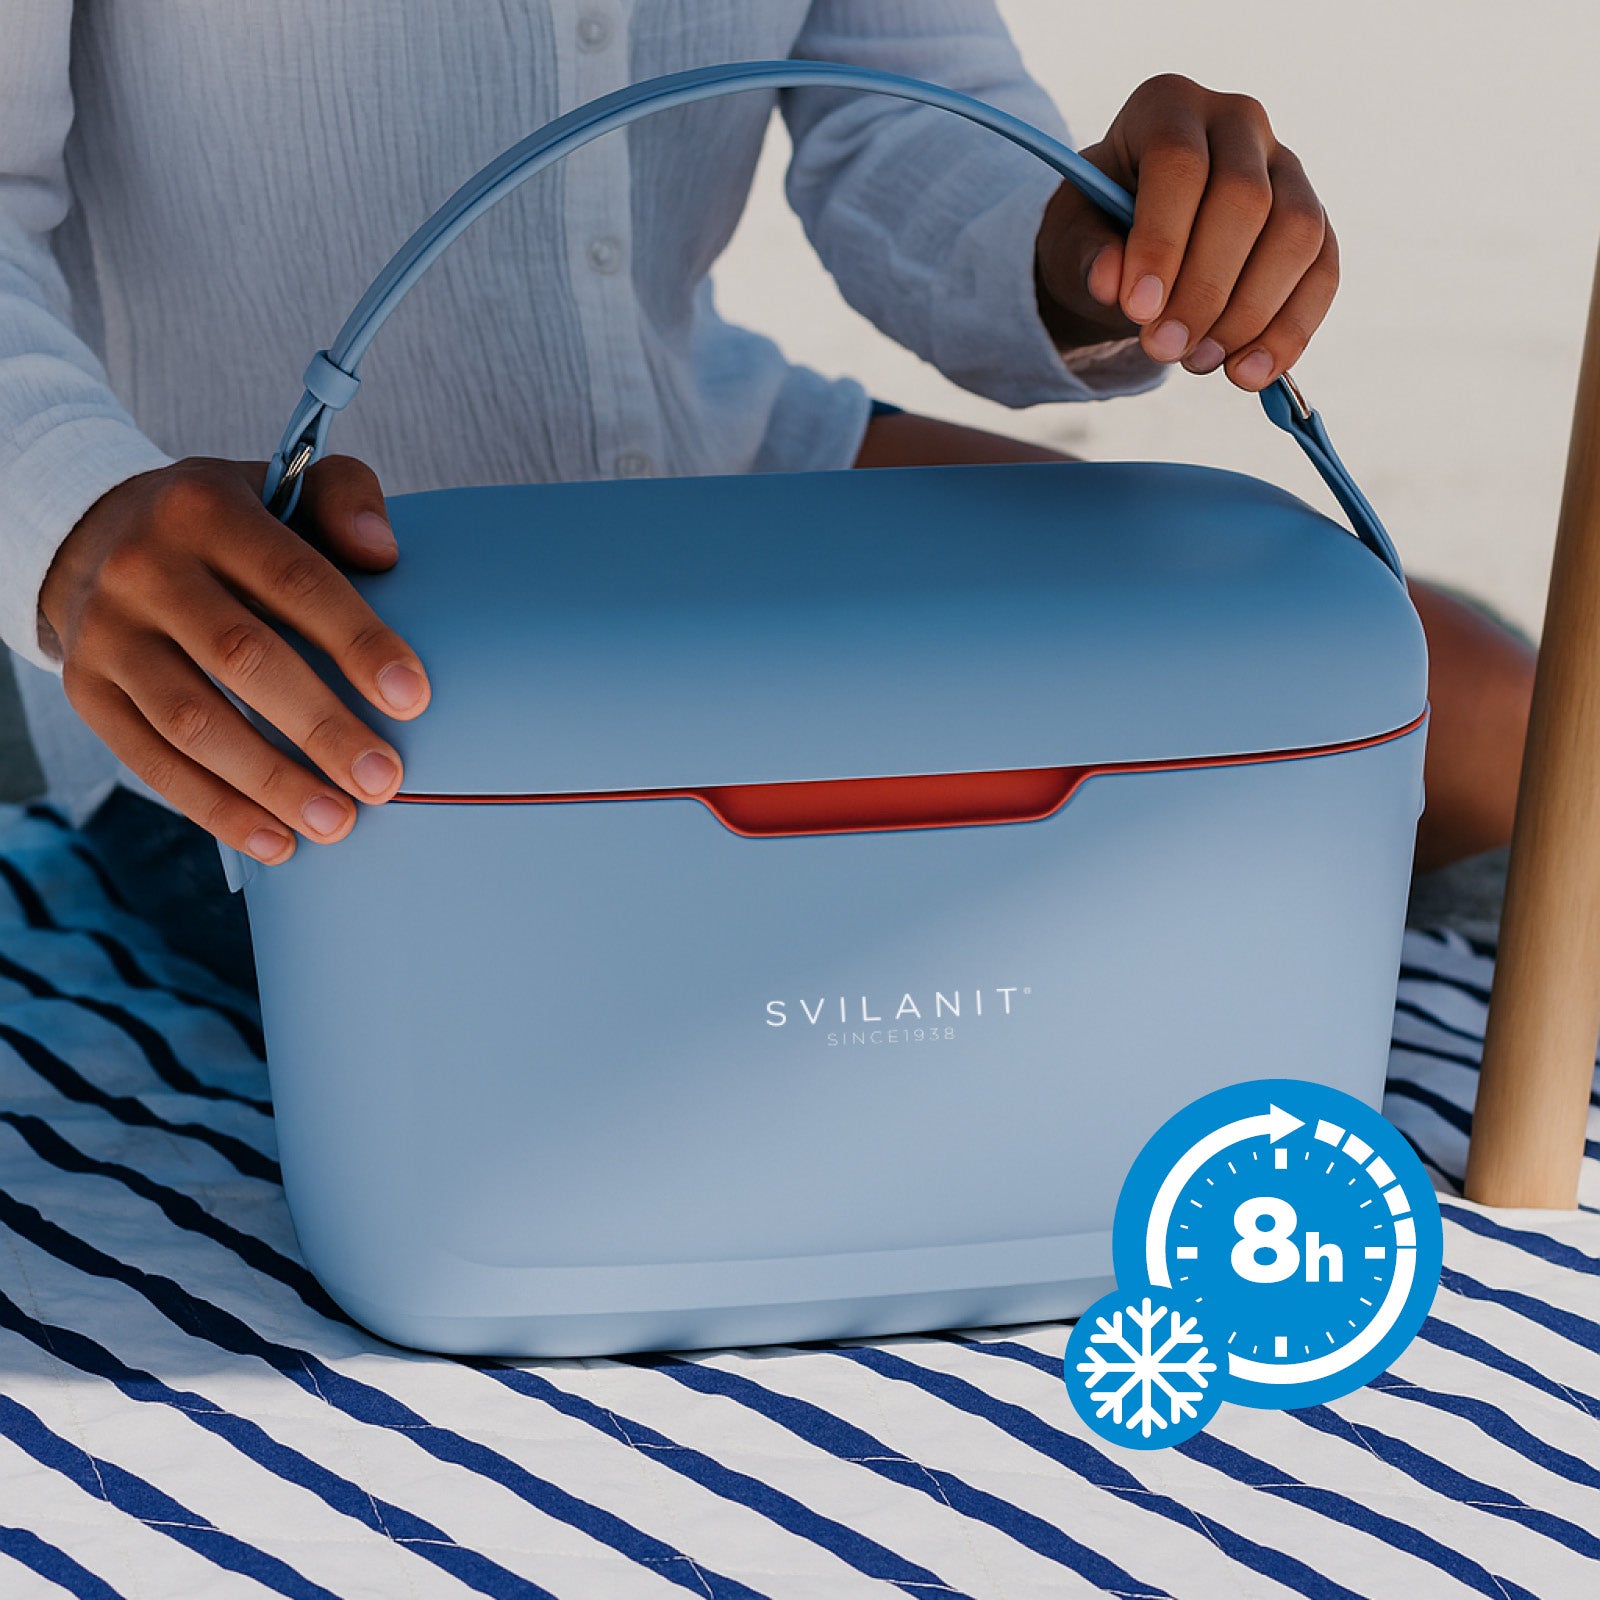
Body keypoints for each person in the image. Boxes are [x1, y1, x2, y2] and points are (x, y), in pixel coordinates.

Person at [1, 2, 1532, 994]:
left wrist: (1099, 245)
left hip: (712, 464)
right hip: (290, 605)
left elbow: (898, 113)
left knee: (1463, 706)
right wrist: (74, 524)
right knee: (684, 970)